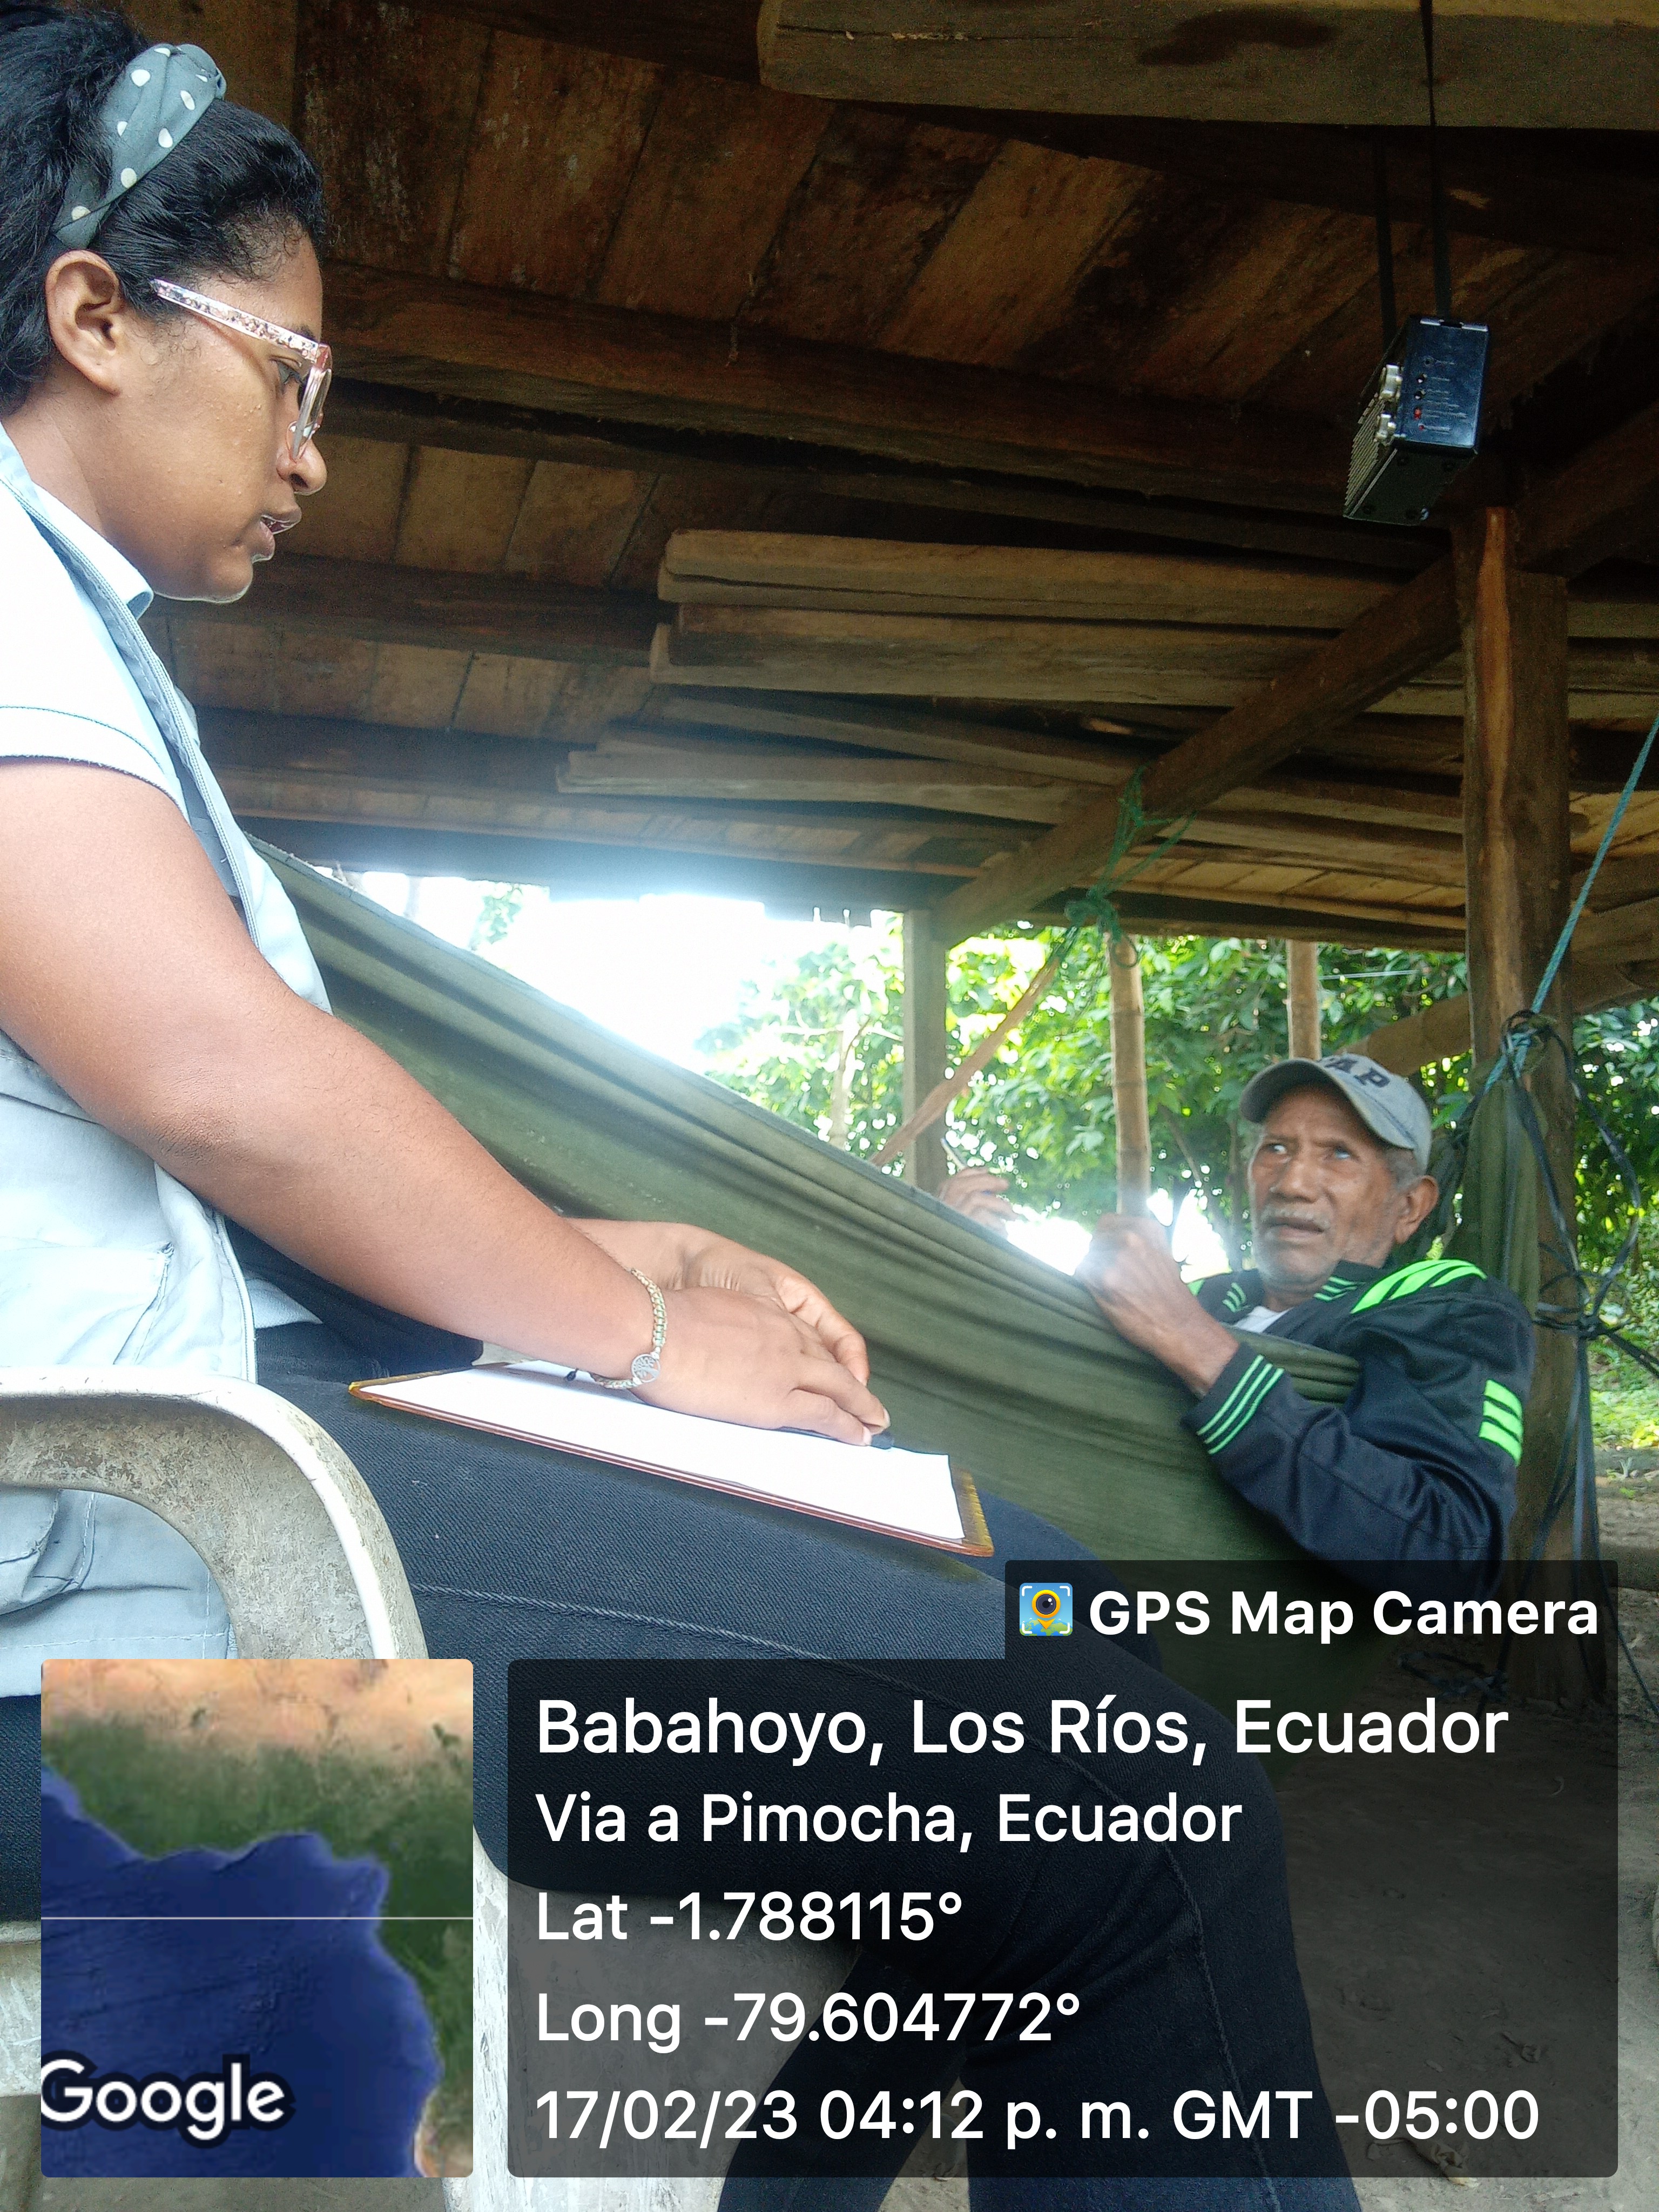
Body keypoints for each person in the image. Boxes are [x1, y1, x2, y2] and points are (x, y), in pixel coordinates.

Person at [0, 14, 1361, 2201]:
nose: (316, 456)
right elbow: (220, 1077)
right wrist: (633, 1336)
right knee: (1128, 1785)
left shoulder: (79, 640)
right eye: (297, 377)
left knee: (1033, 1621)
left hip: (188, 1484)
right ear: (93, 315)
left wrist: (602, 1254)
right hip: (119, 1611)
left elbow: (162, 1157)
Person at [1078, 1053, 1534, 1595]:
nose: (1292, 1183)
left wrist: (1196, 1346)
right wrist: (984, 1265)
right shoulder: (1208, 1297)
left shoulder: (1447, 1307)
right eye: (1276, 1148)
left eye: (1339, 1154)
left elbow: (1454, 1554)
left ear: (1410, 1206)